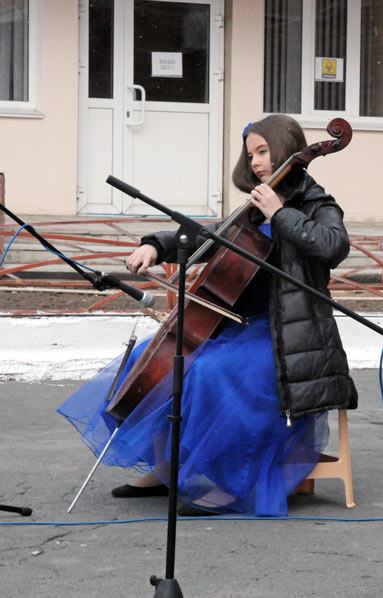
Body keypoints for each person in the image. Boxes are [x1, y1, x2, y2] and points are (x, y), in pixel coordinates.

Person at [59, 114, 358, 517]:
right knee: (156, 359)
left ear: (286, 148)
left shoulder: (315, 203)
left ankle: (225, 483)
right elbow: (208, 236)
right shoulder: (253, 207)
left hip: (287, 337)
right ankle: (165, 468)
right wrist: (157, 246)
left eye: (263, 151)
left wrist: (280, 215)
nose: (254, 162)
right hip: (236, 327)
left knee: (210, 372)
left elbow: (333, 246)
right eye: (250, 154)